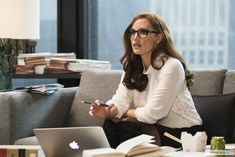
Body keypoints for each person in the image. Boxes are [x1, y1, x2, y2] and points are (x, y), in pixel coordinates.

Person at [89, 12, 203, 148]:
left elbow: (153, 113)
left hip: (184, 135)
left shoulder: (172, 66)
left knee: (128, 125)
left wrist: (123, 112)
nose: (135, 37)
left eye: (143, 32)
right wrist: (108, 110)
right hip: (153, 128)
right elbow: (120, 100)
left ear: (158, 38)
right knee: (111, 123)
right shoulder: (132, 67)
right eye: (133, 32)